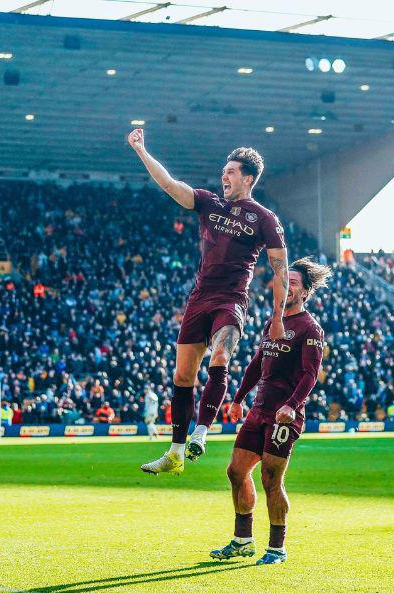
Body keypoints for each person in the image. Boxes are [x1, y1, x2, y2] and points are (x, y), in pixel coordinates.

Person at [129, 128, 288, 476]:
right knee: (182, 375)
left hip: (231, 300)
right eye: (223, 171)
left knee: (220, 356)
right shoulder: (208, 203)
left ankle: (200, 433)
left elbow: (281, 269)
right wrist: (141, 150)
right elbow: (169, 184)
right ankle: (174, 453)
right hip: (199, 299)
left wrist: (278, 317)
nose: (223, 177)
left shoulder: (264, 219)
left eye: (230, 172)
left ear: (248, 178)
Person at [209, 257, 331, 566]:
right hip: (259, 410)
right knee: (236, 471)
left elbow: (310, 374)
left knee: (271, 478)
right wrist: (238, 399)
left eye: (293, 283)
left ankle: (277, 548)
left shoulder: (310, 328)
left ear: (305, 292)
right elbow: (256, 365)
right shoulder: (272, 323)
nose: (286, 287)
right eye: (283, 281)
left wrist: (292, 405)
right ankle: (242, 541)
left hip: (284, 416)